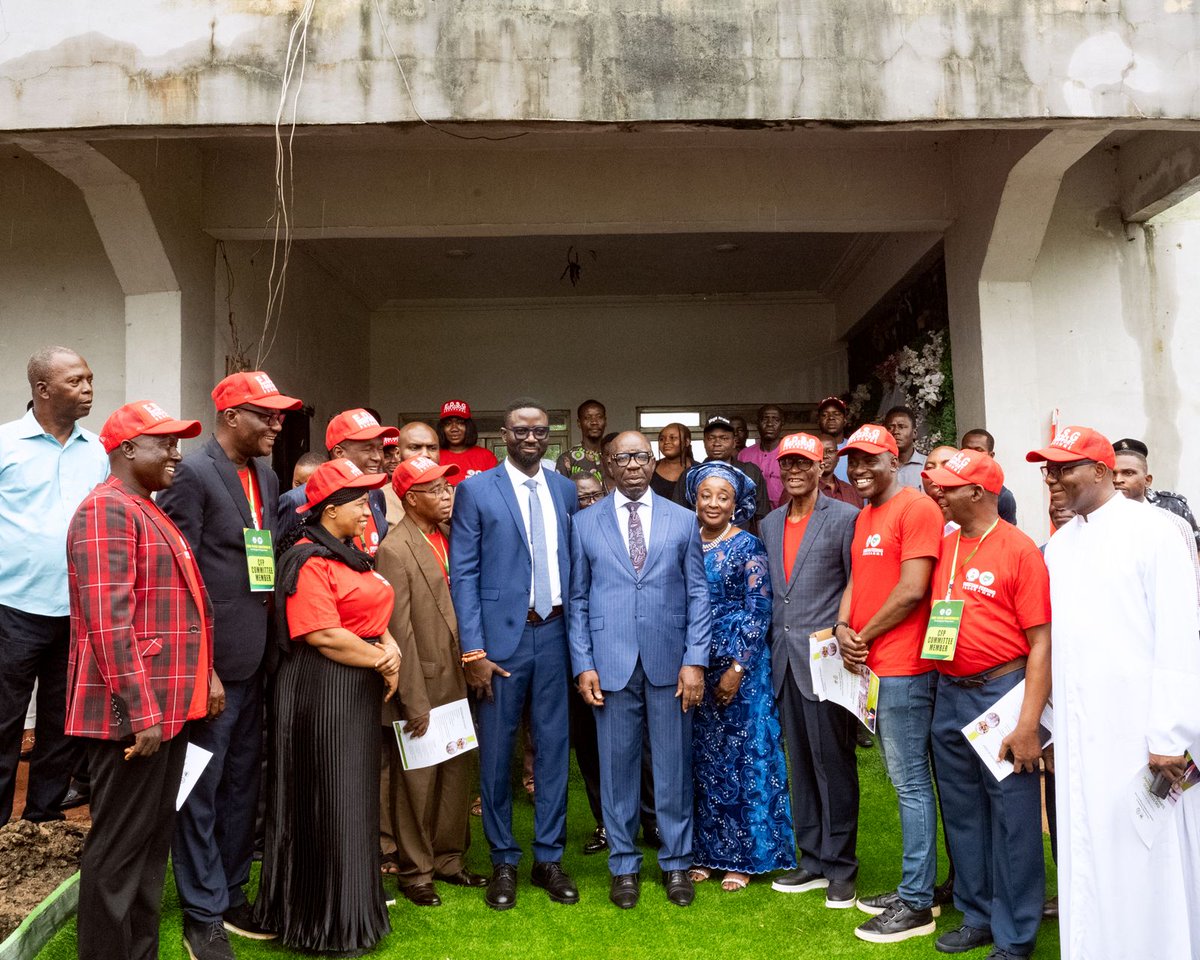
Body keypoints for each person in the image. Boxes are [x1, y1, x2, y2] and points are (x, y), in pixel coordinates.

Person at [1027, 425, 1200, 960]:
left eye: (1064, 468)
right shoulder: (1062, 542)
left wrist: (1171, 733)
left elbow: (1178, 635)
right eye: (1048, 470)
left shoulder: (1154, 532)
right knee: (1088, 849)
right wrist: (1050, 724)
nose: (1052, 479)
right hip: (1082, 736)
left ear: (1101, 472)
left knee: (1144, 857)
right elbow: (1060, 642)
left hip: (1141, 735)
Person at [157, 370, 301, 958]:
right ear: (230, 416)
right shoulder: (192, 473)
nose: (277, 423)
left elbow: (259, 558)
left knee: (245, 783)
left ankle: (232, 891)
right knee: (203, 788)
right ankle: (202, 912)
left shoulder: (264, 474)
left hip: (258, 659)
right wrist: (201, 667)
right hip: (212, 670)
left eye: (279, 414)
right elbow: (177, 578)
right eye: (265, 414)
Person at [66, 400, 214, 960]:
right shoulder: (106, 510)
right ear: (128, 449)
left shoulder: (145, 507)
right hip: (133, 717)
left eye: (177, 442)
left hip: (167, 709)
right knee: (119, 854)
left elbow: (182, 611)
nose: (177, 453)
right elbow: (109, 623)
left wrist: (203, 682)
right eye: (165, 443)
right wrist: (142, 712)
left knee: (151, 850)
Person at [254, 458, 401, 954]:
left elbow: (364, 611)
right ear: (332, 509)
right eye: (360, 503)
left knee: (351, 797)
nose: (369, 511)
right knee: (331, 797)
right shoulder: (307, 558)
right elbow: (322, 634)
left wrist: (387, 640)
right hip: (322, 693)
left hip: (350, 688)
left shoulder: (348, 551)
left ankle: (354, 908)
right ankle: (327, 921)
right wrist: (381, 661)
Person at [569, 431, 713, 910]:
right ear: (608, 466)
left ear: (652, 462)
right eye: (621, 458)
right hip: (609, 665)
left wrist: (695, 659)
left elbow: (697, 594)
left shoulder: (684, 520)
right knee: (616, 770)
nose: (631, 464)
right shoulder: (584, 522)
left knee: (672, 768)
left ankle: (675, 863)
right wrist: (583, 663)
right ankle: (624, 866)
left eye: (639, 456)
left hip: (670, 663)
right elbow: (578, 600)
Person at [449, 399, 580, 911]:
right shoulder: (476, 490)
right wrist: (472, 650)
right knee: (498, 752)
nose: (531, 437)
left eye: (540, 431)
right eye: (521, 430)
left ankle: (548, 858)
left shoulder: (564, 489)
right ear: (503, 435)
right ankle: (503, 857)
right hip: (500, 643)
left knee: (553, 749)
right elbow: (464, 573)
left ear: (549, 437)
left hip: (555, 634)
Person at [921, 449, 1051, 959]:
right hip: (950, 692)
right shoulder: (949, 542)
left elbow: (1041, 642)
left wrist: (1028, 724)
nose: (939, 492)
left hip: (1002, 691)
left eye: (949, 487)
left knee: (1012, 817)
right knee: (963, 813)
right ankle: (977, 915)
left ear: (978, 492)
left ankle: (1016, 934)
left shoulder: (1019, 550)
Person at [833, 424, 944, 944]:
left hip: (904, 667)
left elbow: (913, 590)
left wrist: (863, 635)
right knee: (905, 781)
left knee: (910, 784)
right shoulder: (865, 516)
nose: (858, 470)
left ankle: (918, 903)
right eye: (852, 462)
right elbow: (857, 580)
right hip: (871, 663)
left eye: (868, 461)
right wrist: (841, 628)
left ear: (894, 460)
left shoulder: (917, 508)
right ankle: (915, 889)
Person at [0, 346, 107, 826]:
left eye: (89, 379)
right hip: (12, 610)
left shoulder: (99, 451)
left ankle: (41, 823)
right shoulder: (5, 446)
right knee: (4, 724)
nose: (88, 389)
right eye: (76, 381)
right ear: (43, 389)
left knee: (62, 727)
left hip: (77, 614)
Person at [375, 455, 487, 906]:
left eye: (448, 488)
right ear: (410, 498)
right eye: (437, 490)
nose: (447, 496)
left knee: (455, 776)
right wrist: (411, 699)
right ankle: (415, 872)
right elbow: (398, 630)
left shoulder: (446, 537)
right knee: (416, 784)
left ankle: (449, 860)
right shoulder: (394, 548)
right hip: (421, 683)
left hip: (455, 679)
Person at [684, 461, 795, 891]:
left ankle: (745, 858)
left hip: (740, 668)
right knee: (704, 762)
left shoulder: (747, 546)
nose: (713, 503)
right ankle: (708, 854)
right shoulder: (685, 542)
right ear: (695, 498)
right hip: (695, 663)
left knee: (745, 759)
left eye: (723, 497)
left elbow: (759, 609)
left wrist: (736, 668)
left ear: (736, 504)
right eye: (706, 495)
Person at [761, 433, 861, 908]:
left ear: (823, 467)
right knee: (799, 762)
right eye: (788, 463)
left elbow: (856, 584)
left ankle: (842, 865)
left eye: (804, 462)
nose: (795, 470)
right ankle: (814, 857)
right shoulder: (769, 523)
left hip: (827, 663)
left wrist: (842, 627)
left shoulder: (845, 519)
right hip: (783, 661)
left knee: (832, 764)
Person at [278, 409, 398, 554]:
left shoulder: (376, 495)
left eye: (380, 449)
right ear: (339, 452)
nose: (378, 457)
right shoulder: (299, 500)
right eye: (368, 449)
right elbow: (283, 559)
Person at [568, 473, 607, 855]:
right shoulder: (570, 535)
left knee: (638, 748)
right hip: (578, 657)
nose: (591, 503)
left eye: (597, 495)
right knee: (590, 747)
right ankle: (604, 824)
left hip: (621, 655)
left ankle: (649, 820)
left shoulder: (619, 528)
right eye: (583, 498)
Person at [1112, 437, 1200, 556]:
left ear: (1147, 480)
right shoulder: (1095, 511)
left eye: (1128, 473)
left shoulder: (1173, 507)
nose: (1118, 480)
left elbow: (1195, 551)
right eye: (1112, 473)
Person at [673, 417, 768, 526]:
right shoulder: (690, 475)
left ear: (734, 442)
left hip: (742, 540)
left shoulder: (750, 472)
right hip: (700, 541)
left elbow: (761, 515)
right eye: (711, 438)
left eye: (724, 438)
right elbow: (678, 516)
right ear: (704, 442)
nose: (717, 443)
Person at [383, 422, 440, 526]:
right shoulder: (380, 498)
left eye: (432, 448)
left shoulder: (451, 495)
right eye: (415, 448)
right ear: (398, 454)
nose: (425, 455)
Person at [960, 429, 1018, 525]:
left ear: (991, 455)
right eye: (968, 450)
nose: (972, 455)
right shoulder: (947, 486)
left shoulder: (1003, 497)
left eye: (978, 450)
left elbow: (1008, 535)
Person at [737, 404, 787, 509]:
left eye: (775, 420)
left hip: (784, 515)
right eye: (765, 419)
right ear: (757, 424)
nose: (769, 424)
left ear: (782, 424)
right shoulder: (744, 455)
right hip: (752, 518)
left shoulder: (789, 452)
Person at [437, 400, 498, 485]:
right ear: (442, 429)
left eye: (460, 423)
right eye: (448, 424)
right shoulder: (434, 457)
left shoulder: (486, 456)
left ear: (469, 427)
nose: (454, 429)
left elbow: (493, 490)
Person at [556, 399, 607, 486]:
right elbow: (561, 493)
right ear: (579, 423)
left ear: (605, 421)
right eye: (587, 417)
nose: (594, 422)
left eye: (599, 417)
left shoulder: (615, 456)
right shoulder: (567, 459)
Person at [883, 406, 925, 490]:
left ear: (914, 433)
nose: (895, 432)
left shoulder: (927, 465)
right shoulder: (878, 466)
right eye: (890, 427)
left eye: (901, 427)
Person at [818, 435, 864, 508]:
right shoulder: (806, 491)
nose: (825, 456)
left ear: (838, 457)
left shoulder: (852, 491)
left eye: (830, 451)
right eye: (820, 451)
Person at [650, 422, 694, 499]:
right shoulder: (650, 468)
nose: (666, 442)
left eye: (673, 438)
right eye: (662, 439)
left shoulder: (699, 470)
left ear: (686, 442)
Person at [817, 396, 851, 482]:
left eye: (837, 414)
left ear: (845, 420)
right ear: (818, 421)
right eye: (824, 414)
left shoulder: (854, 447)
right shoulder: (810, 447)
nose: (831, 417)